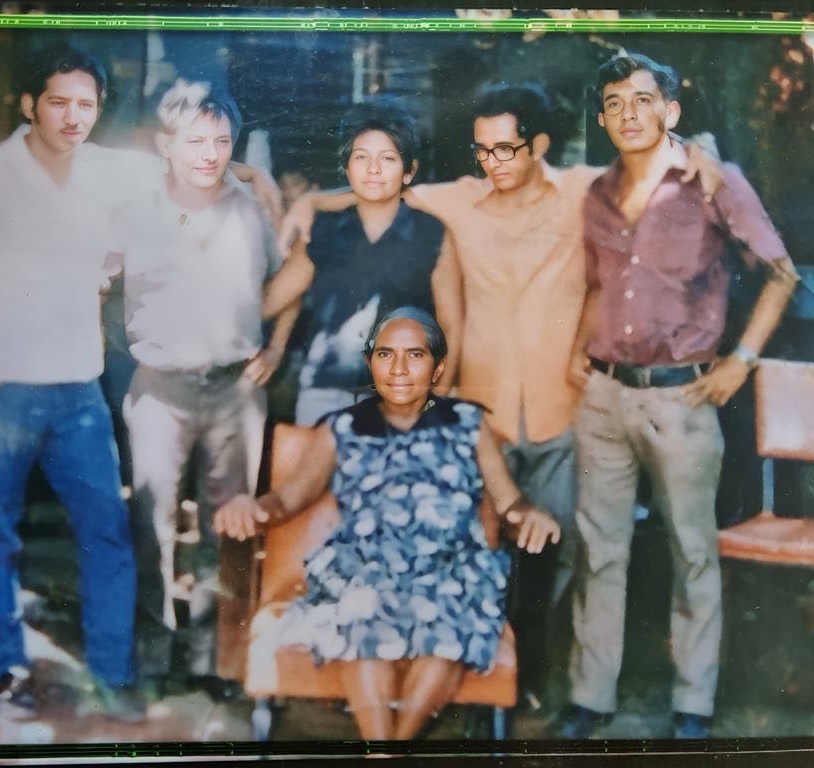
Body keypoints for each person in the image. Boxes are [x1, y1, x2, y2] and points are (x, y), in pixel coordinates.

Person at [277, 84, 722, 712]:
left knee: (561, 548)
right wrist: (309, 202)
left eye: (507, 148)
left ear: (538, 145)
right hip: (481, 412)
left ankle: (527, 673)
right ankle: (471, 669)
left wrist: (700, 153)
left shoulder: (584, 191)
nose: (494, 162)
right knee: (469, 547)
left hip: (562, 409)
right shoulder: (460, 200)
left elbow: (655, 164)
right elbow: (381, 185)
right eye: (483, 150)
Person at [560, 52, 798, 740]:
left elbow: (781, 273)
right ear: (602, 118)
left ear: (671, 111)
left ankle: (693, 705)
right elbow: (598, 284)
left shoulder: (713, 181)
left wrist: (743, 360)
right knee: (600, 550)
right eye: (614, 104)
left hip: (682, 399)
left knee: (693, 552)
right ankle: (590, 698)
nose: (628, 114)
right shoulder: (597, 193)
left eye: (643, 100)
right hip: (605, 397)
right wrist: (578, 351)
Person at [214, 307, 562, 740]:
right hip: (366, 567)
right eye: (385, 355)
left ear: (437, 368)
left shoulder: (469, 423)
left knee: (447, 627)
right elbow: (286, 500)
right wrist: (251, 507)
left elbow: (511, 503)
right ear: (371, 364)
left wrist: (530, 515)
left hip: (450, 568)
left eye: (414, 356)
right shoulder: (342, 427)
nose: (398, 369)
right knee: (363, 619)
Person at [0, 44, 145, 720]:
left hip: (81, 394)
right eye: (58, 102)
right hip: (2, 391)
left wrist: (254, 179)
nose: (74, 117)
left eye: (87, 105)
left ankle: (113, 676)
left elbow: (195, 171)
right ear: (29, 105)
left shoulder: (110, 172)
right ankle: (4, 670)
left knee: (108, 535)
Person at [109, 80, 297, 699]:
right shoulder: (133, 209)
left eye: (221, 141)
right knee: (152, 524)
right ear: (167, 146)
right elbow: (89, 277)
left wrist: (275, 347)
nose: (210, 154)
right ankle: (153, 658)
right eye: (195, 141)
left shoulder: (252, 204)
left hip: (234, 391)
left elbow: (293, 275)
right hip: (158, 390)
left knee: (229, 528)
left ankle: (216, 662)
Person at [262, 102, 462, 426]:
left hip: (402, 397)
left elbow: (452, 326)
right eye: (361, 157)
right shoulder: (322, 229)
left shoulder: (432, 234)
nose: (373, 169)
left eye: (388, 159)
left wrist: (435, 404)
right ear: (347, 167)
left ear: (409, 171)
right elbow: (273, 300)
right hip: (324, 393)